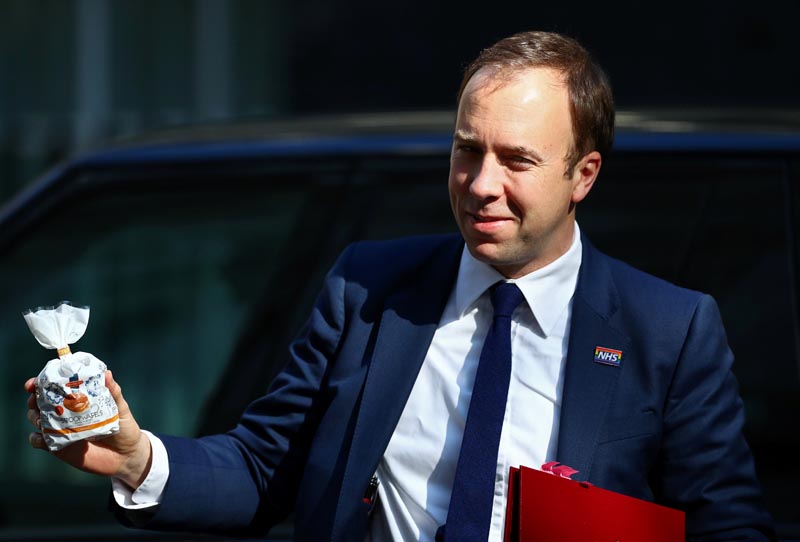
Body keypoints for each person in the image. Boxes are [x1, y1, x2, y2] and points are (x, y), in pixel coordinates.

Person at [25, 30, 774, 541]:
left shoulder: (666, 329)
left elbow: (726, 525)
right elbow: (263, 469)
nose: (481, 185)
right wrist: (135, 460)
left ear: (584, 175)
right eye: (465, 151)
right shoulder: (369, 291)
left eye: (516, 161)